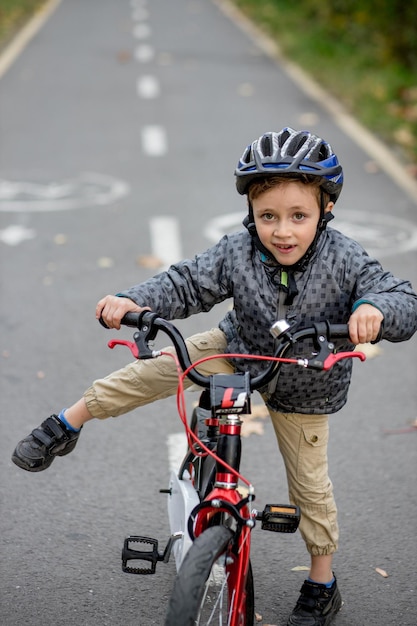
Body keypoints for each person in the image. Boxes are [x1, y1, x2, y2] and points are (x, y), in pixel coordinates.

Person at [12, 127, 417, 625]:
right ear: (251, 213)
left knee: (310, 486)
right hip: (239, 350)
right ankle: (67, 423)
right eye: (268, 216)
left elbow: (400, 297)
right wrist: (135, 301)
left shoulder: (345, 258)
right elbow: (185, 282)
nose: (282, 231)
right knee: (160, 369)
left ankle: (321, 581)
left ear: (325, 211)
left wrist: (376, 308)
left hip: (305, 377)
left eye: (298, 216)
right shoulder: (238, 251)